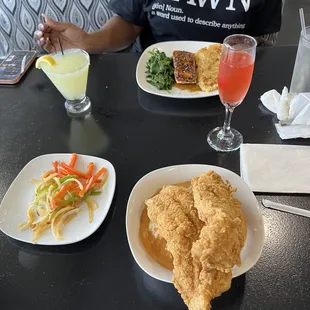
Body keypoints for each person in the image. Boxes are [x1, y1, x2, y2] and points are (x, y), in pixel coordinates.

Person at [35, 0, 283, 54]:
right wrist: (88, 43)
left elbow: (259, 41)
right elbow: (130, 25)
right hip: (152, 78)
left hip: (224, 89)